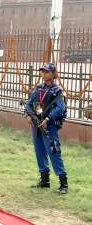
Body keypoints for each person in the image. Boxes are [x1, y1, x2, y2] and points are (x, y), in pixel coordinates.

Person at [25, 63, 68, 194]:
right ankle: (44, 180)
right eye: (42, 71)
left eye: (46, 71)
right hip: (36, 125)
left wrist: (48, 119)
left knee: (54, 152)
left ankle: (63, 183)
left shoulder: (58, 91)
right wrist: (27, 115)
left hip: (49, 127)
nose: (43, 73)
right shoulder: (38, 89)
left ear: (53, 74)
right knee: (40, 152)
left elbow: (61, 108)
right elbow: (29, 104)